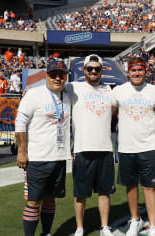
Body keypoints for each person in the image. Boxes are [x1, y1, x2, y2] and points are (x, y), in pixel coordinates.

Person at [15, 61, 71, 236]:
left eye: (61, 75)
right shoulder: (33, 94)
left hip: (59, 157)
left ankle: (46, 233)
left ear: (65, 77)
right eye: (53, 74)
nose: (57, 78)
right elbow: (20, 123)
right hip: (37, 158)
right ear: (46, 75)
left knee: (50, 199)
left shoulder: (67, 96)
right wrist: (21, 151)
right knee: (33, 201)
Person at [111, 57, 155, 236]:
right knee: (131, 186)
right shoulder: (118, 91)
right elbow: (108, 111)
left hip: (148, 146)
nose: (137, 73)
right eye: (133, 70)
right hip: (126, 147)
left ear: (145, 71)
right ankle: (135, 220)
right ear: (128, 72)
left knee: (149, 187)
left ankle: (153, 225)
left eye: (140, 70)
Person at [65, 54, 115, 236]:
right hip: (82, 148)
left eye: (97, 68)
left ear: (102, 70)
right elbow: (52, 87)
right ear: (83, 69)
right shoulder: (73, 87)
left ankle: (104, 227)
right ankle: (80, 227)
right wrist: (30, 90)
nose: (93, 71)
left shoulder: (110, 90)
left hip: (105, 148)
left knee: (104, 192)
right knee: (80, 193)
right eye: (89, 68)